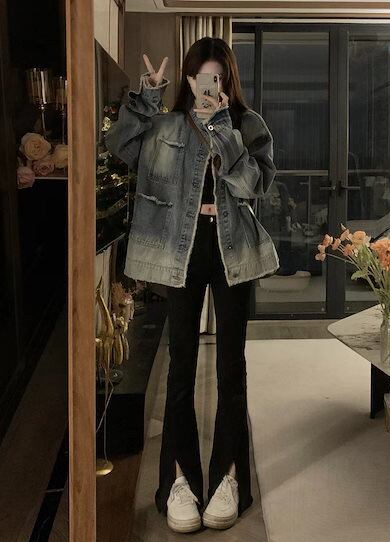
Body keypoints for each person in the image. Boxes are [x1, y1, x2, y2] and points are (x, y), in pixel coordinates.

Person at [105, 36, 279, 533]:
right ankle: (178, 479)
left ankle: (229, 478)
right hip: (179, 251)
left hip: (231, 249)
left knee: (231, 370)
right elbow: (120, 147)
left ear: (227, 80)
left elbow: (255, 186)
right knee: (180, 367)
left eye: (216, 78)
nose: (207, 86)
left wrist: (223, 128)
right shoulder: (164, 125)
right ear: (186, 79)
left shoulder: (246, 124)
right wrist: (146, 96)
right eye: (200, 77)